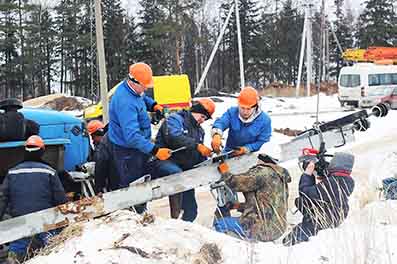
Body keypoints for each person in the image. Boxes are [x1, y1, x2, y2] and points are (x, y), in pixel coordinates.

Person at [108, 62, 171, 213]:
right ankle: (132, 216)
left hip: (137, 148)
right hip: (127, 152)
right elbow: (132, 137)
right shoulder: (125, 102)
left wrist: (154, 105)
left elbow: (142, 98)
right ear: (134, 81)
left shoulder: (132, 89)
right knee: (133, 187)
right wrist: (155, 150)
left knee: (141, 184)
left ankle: (140, 211)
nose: (147, 88)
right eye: (145, 85)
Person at [0, 135, 67, 262]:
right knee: (52, 249)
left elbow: (2, 199)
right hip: (45, 221)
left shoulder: (12, 172)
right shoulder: (50, 172)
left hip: (20, 221)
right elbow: (60, 199)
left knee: (17, 250)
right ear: (42, 151)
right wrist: (67, 220)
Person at [152, 98, 216, 222]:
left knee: (192, 211)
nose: (202, 120)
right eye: (202, 116)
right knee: (176, 173)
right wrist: (197, 146)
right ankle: (175, 217)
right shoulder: (175, 119)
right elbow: (174, 137)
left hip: (185, 168)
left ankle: (186, 227)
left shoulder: (199, 131)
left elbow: (196, 154)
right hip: (164, 161)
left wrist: (207, 157)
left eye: (205, 119)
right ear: (195, 110)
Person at [283, 152, 355, 246]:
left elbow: (305, 192)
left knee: (287, 242)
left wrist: (308, 174)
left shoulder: (332, 182)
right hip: (332, 218)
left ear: (336, 164)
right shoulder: (345, 181)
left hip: (317, 223)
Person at [214, 155, 291, 242]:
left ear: (262, 157)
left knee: (219, 224)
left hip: (262, 230)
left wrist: (225, 172)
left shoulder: (262, 172)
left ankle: (240, 247)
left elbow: (236, 183)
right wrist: (238, 206)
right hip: (278, 228)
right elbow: (265, 204)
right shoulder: (279, 175)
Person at [211, 86, 272, 155]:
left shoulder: (265, 120)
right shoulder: (232, 112)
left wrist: (246, 149)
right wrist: (216, 135)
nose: (245, 112)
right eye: (242, 108)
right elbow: (221, 122)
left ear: (255, 106)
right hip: (229, 152)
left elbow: (262, 142)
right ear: (238, 104)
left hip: (251, 155)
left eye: (248, 109)